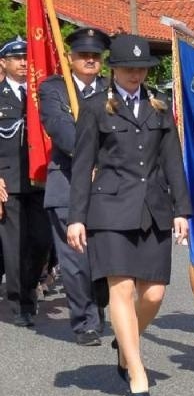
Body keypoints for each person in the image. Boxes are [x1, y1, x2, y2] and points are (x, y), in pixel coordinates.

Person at [65, 34, 190, 396]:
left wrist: (182, 210)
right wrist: (76, 217)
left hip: (153, 208)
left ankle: (125, 341)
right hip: (109, 210)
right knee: (120, 288)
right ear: (113, 69)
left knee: (153, 293)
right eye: (129, 67)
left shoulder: (160, 106)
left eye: (142, 68)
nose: (136, 74)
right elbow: (82, 164)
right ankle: (136, 369)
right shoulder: (94, 107)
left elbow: (173, 162)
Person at [38, 26, 111, 345]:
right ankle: (85, 321)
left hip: (108, 184)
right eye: (83, 55)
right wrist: (90, 161)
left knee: (107, 255)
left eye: (95, 55)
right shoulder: (53, 89)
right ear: (70, 58)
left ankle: (102, 305)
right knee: (75, 258)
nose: (90, 60)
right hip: (68, 183)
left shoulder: (111, 89)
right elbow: (60, 128)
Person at [0, 35, 50, 329]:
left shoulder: (41, 96)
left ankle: (30, 285)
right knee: (14, 245)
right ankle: (21, 302)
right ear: (3, 62)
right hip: (9, 183)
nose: (22, 62)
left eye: (26, 58)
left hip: (40, 179)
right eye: (16, 58)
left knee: (42, 240)